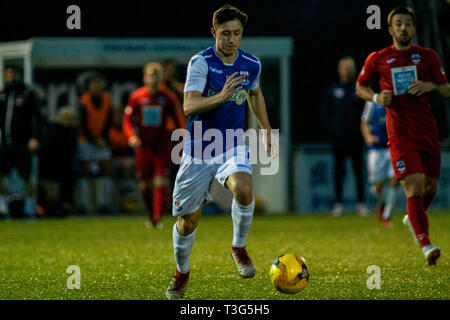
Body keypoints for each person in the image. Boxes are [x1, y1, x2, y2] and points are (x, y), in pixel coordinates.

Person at [165, 4, 277, 299]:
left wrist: (266, 129)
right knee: (188, 222)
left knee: (243, 188)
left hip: (232, 144)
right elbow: (189, 106)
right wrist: (222, 96)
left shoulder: (251, 64)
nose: (231, 40)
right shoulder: (200, 63)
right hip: (198, 148)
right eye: (225, 34)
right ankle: (182, 271)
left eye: (237, 34)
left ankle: (238, 247)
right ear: (214, 33)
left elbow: (254, 94)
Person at [356, 7, 450, 266]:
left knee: (430, 187)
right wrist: (376, 97)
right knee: (414, 187)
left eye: (408, 23)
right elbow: (360, 86)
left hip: (427, 130)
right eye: (398, 24)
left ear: (414, 28)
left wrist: (431, 85)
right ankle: (426, 244)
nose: (403, 28)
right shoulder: (378, 59)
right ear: (390, 29)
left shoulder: (427, 56)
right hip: (399, 134)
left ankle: (413, 216)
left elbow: (446, 89)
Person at [123, 62, 181, 228]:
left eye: (156, 75)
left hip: (161, 145)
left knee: (159, 181)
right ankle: (150, 215)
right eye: (150, 75)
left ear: (161, 77)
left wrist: (182, 139)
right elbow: (127, 120)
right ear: (144, 78)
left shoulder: (168, 97)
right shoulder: (137, 97)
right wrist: (131, 136)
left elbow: (177, 121)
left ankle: (157, 218)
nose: (153, 78)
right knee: (144, 184)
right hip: (143, 146)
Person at [322, 56, 369, 217]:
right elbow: (325, 113)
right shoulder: (333, 90)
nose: (347, 70)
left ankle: (361, 203)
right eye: (344, 67)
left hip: (356, 138)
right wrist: (333, 130)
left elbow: (367, 114)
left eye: (349, 67)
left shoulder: (360, 90)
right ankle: (338, 204)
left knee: (358, 171)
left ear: (354, 70)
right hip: (339, 139)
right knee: (338, 172)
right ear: (339, 70)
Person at [0, 66, 41, 217]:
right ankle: (2, 206)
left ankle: (30, 207)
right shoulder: (3, 94)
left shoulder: (27, 94)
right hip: (6, 141)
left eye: (13, 74)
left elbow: (36, 118)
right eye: (7, 74)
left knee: (26, 175)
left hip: (22, 143)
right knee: (1, 172)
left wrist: (34, 137)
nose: (10, 76)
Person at [77, 75, 113, 214]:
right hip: (85, 141)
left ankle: (103, 204)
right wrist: (94, 140)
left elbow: (108, 121)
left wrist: (103, 139)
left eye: (99, 84)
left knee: (106, 169)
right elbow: (82, 124)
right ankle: (83, 204)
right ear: (88, 87)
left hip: (101, 141)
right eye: (94, 85)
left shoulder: (107, 99)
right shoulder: (84, 101)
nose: (97, 87)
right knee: (84, 172)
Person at [360, 101, 401, 228]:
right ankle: (382, 204)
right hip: (377, 149)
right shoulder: (372, 102)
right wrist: (368, 137)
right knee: (377, 186)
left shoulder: (397, 100)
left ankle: (387, 216)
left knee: (395, 180)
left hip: (394, 147)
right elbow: (364, 122)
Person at [37, 106, 78, 217]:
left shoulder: (72, 132)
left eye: (70, 118)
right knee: (51, 193)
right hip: (51, 167)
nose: (68, 120)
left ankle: (61, 208)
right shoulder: (52, 130)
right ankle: (49, 209)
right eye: (65, 117)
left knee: (63, 192)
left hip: (65, 168)